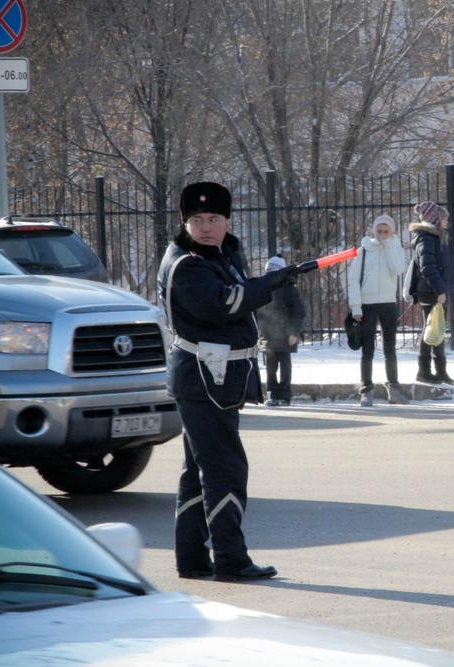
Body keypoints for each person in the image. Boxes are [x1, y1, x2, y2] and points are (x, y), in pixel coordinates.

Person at [156, 181, 299, 582]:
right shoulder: (187, 263)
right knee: (225, 469)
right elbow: (225, 302)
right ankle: (230, 559)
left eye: (213, 219)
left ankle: (192, 558)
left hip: (211, 377)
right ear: (185, 222)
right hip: (205, 378)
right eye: (197, 220)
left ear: (226, 221)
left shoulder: (216, 255)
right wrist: (271, 283)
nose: (205, 227)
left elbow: (233, 291)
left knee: (198, 469)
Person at [347, 213, 409, 406]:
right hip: (367, 305)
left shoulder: (396, 248)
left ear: (393, 232)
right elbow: (353, 280)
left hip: (389, 303)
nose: (382, 234)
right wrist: (356, 306)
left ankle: (394, 390)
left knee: (390, 349)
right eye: (379, 231)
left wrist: (390, 244)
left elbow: (399, 269)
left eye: (386, 231)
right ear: (373, 231)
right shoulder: (364, 250)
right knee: (367, 350)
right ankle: (366, 390)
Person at [408, 201, 454, 385]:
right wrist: (441, 290)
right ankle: (424, 371)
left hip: (437, 291)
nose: (447, 223)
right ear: (435, 220)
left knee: (438, 330)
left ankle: (440, 370)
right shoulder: (426, 239)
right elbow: (428, 268)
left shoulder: (436, 237)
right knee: (431, 330)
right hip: (432, 292)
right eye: (444, 219)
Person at [257, 253, 306, 406]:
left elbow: (299, 312)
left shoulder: (290, 290)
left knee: (285, 367)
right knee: (270, 368)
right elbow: (257, 311)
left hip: (285, 335)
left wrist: (294, 332)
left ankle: (285, 396)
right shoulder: (262, 288)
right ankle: (272, 395)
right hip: (267, 335)